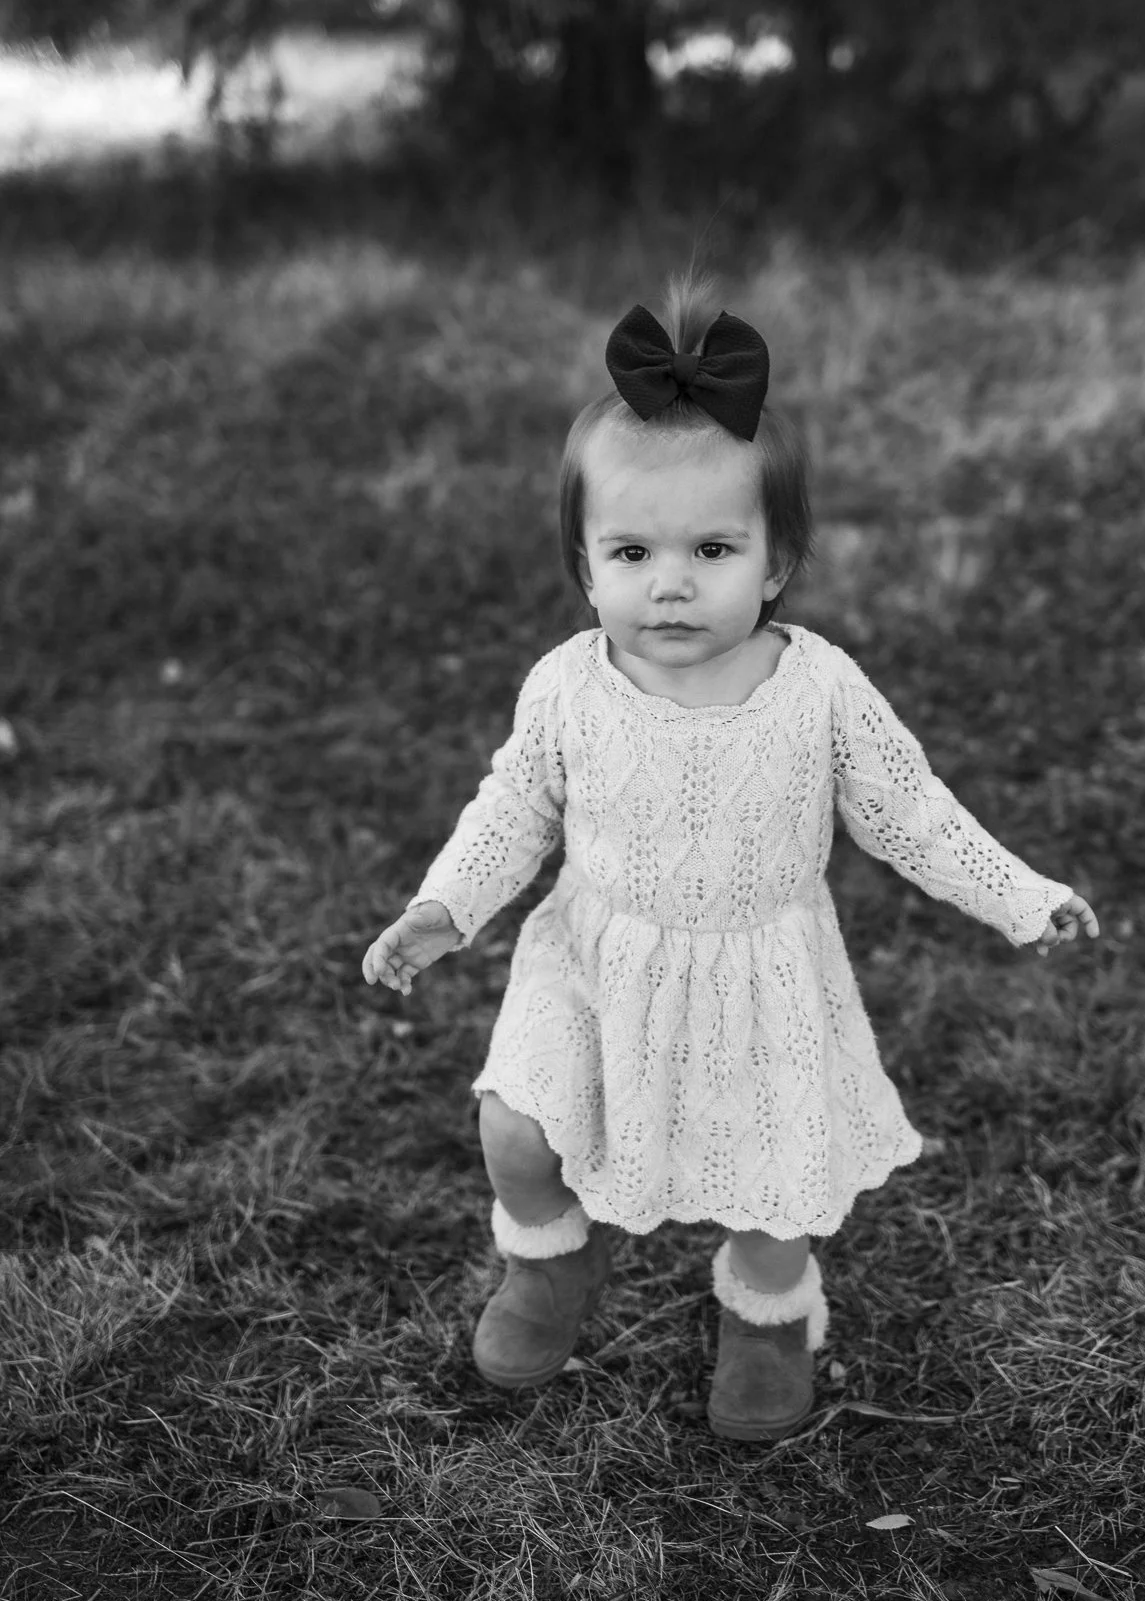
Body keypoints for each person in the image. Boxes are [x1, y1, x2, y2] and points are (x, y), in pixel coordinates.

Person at [362, 273, 1099, 1442]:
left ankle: (768, 1312)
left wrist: (1021, 895)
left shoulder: (818, 688)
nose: (670, 581)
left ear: (777, 561)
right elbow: (514, 805)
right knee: (516, 1123)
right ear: (585, 565)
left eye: (712, 547)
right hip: (594, 953)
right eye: (631, 550)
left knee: (771, 1181)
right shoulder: (568, 686)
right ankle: (548, 1259)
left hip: (759, 972)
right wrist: (445, 904)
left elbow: (913, 811)